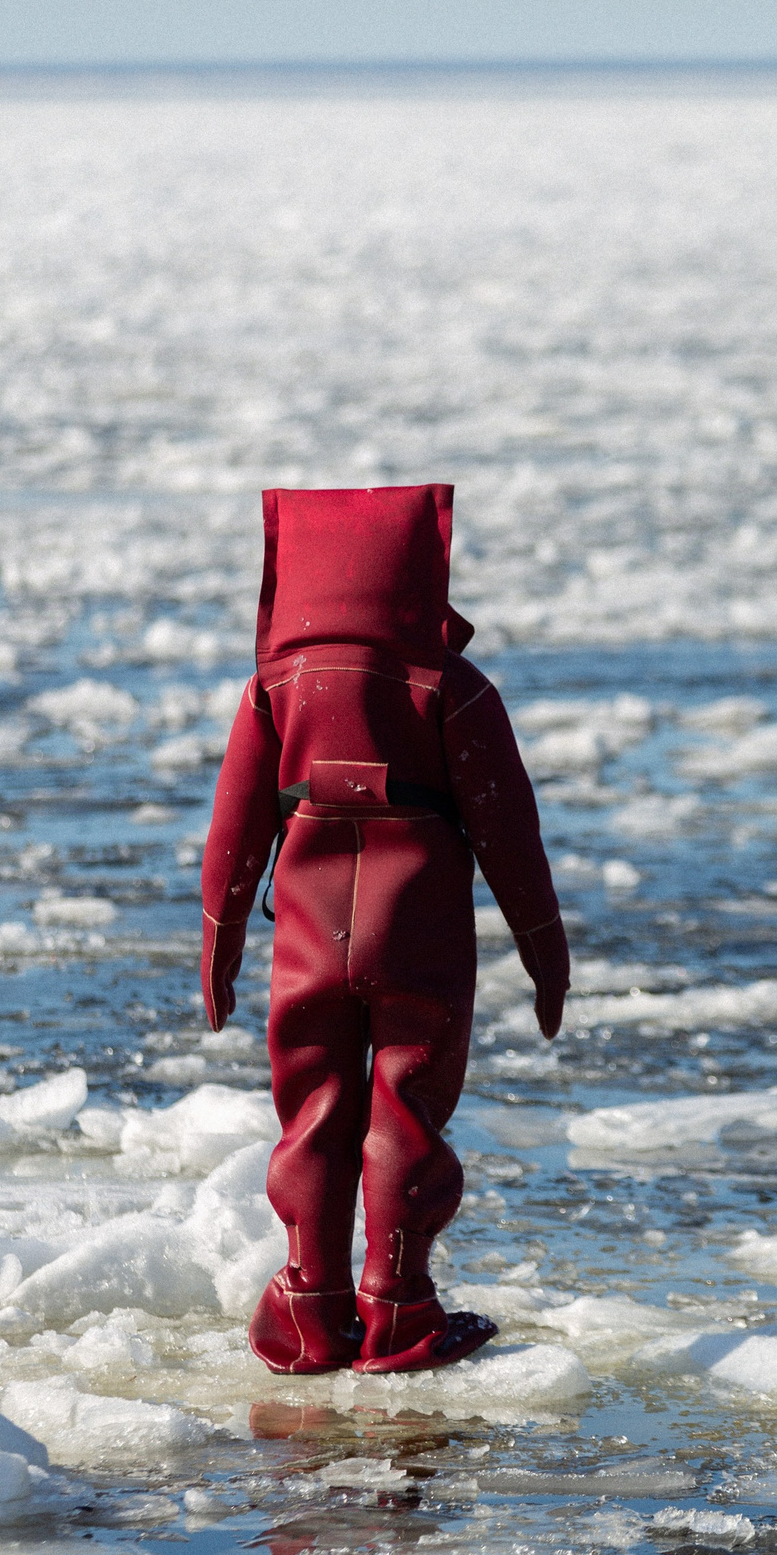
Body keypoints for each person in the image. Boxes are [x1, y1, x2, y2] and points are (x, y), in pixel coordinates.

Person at [199, 483, 570, 1375]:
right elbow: (509, 833)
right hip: (420, 942)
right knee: (405, 1109)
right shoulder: (454, 688)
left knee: (313, 1110)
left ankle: (307, 1309)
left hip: (307, 945)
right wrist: (543, 951)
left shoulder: (273, 689)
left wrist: (219, 946)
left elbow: (234, 832)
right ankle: (398, 1309)